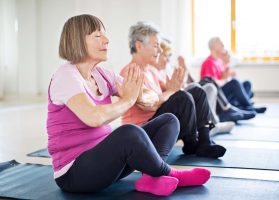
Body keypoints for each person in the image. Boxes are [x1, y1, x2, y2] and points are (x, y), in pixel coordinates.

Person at [47, 14, 210, 197]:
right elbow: (94, 117)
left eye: (105, 35)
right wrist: (129, 100)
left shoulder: (102, 75)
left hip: (106, 164)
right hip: (74, 174)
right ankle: (168, 172)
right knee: (129, 132)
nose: (107, 40)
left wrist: (140, 94)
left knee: (169, 120)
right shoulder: (66, 76)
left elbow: (146, 97)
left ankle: (151, 176)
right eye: (98, 36)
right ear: (77, 40)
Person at [120, 21, 226, 158]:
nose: (160, 51)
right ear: (139, 46)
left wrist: (178, 83)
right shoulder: (130, 72)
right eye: (156, 46)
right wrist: (172, 90)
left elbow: (175, 89)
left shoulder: (150, 72)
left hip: (161, 122)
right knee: (183, 97)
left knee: (197, 92)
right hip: (143, 132)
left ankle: (204, 142)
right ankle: (192, 142)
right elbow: (150, 105)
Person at [154, 39, 235, 135]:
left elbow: (184, 84)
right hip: (177, 99)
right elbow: (175, 89)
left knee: (210, 87)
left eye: (169, 56)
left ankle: (213, 122)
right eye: (165, 55)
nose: (168, 59)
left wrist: (183, 69)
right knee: (207, 81)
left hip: (182, 92)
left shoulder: (167, 69)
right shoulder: (156, 73)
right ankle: (218, 118)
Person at [201, 37, 266, 114]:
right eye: (220, 43)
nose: (223, 45)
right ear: (213, 47)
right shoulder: (208, 63)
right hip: (218, 97)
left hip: (224, 92)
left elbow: (223, 79)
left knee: (247, 84)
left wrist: (228, 76)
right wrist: (226, 78)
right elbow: (213, 86)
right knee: (234, 83)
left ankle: (240, 106)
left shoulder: (219, 62)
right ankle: (249, 107)